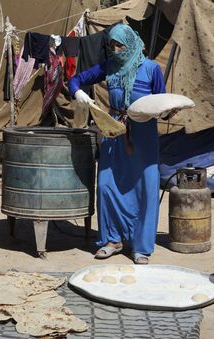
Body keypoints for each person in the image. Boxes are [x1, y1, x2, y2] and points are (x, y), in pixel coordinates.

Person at [68, 24, 165, 264]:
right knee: (106, 185)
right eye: (111, 45)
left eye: (120, 44)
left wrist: (166, 111)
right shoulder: (109, 67)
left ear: (131, 43)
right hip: (114, 133)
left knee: (145, 189)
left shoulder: (152, 69)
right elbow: (75, 80)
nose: (116, 49)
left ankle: (141, 247)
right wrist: (79, 93)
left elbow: (162, 104)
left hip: (144, 137)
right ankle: (112, 240)